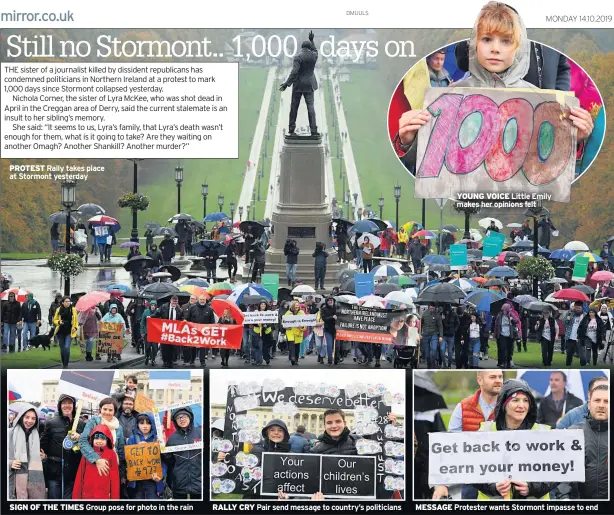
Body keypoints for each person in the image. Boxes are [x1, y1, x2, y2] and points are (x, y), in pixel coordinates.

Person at [395, 2, 593, 171]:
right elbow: (429, 164)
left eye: (506, 41)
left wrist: (574, 139)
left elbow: (547, 162)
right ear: (474, 43)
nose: (495, 48)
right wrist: (408, 140)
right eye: (487, 39)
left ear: (518, 47)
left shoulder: (539, 101)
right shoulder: (448, 97)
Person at [472, 379, 555, 500]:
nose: (521, 406)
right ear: (503, 404)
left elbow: (558, 472)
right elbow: (470, 471)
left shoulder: (544, 433)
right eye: (515, 400)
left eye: (526, 401)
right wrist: (493, 487)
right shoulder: (485, 432)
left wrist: (532, 488)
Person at [433, 370, 502, 500]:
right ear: (479, 380)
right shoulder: (463, 407)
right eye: (493, 377)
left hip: (502, 483)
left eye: (500, 376)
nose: (498, 380)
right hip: (471, 482)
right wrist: (443, 483)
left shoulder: (509, 407)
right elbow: (450, 447)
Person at [40, 394, 86, 499]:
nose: (67, 405)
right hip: (54, 472)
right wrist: (43, 456)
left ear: (74, 406)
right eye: (64, 403)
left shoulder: (81, 424)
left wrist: (80, 438)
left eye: (69, 403)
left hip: (73, 473)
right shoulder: (51, 423)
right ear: (59, 406)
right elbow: (43, 446)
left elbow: (85, 446)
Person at [568, 384, 608, 499]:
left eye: (606, 401)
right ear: (589, 404)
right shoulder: (573, 433)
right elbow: (562, 476)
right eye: (597, 400)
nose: (601, 405)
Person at [78, 397, 126, 492]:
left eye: (110, 410)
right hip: (94, 464)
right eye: (104, 409)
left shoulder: (118, 427)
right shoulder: (94, 422)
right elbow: (83, 441)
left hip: (112, 465)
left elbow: (120, 450)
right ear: (100, 409)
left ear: (114, 411)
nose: (107, 412)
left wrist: (122, 474)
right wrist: (97, 459)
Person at [279, 30, 318, 136]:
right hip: (309, 84)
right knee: (311, 107)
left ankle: (291, 129)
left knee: (294, 107)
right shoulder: (314, 56)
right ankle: (313, 130)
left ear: (301, 47)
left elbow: (294, 72)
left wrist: (287, 83)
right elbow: (315, 50)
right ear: (309, 48)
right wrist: (312, 40)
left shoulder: (298, 57)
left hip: (298, 85)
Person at [163, 407, 202, 500]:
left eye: (184, 416)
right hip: (179, 482)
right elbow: (169, 461)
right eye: (179, 417)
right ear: (175, 421)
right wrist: (164, 450)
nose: (182, 419)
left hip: (199, 482)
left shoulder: (201, 433)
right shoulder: (172, 438)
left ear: (190, 418)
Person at [73, 424, 120, 500]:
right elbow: (80, 476)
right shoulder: (88, 453)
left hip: (104, 496)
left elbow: (115, 478)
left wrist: (115, 499)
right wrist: (76, 498)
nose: (99, 441)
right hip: (87, 495)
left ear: (108, 439)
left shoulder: (111, 454)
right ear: (92, 439)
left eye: (102, 438)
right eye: (96, 438)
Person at [9, 404, 45, 499]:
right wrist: (10, 463)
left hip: (31, 483)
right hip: (11, 482)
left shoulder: (36, 436)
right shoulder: (9, 433)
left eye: (33, 418)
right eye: (27, 417)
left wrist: (43, 457)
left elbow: (36, 460)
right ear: (21, 417)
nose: (30, 421)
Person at [125, 413, 164, 499]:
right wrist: (137, 448)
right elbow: (127, 459)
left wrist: (160, 476)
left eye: (148, 423)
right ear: (137, 425)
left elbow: (163, 460)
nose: (145, 426)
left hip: (153, 480)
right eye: (142, 423)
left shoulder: (157, 439)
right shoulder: (132, 439)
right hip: (137, 481)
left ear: (152, 424)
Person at [149, 296, 184, 368]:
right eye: (173, 301)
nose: (174, 303)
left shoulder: (179, 310)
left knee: (172, 347)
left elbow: (181, 318)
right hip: (165, 330)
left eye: (176, 302)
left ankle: (170, 362)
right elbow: (157, 314)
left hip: (173, 332)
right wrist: (151, 317)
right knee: (164, 347)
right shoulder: (164, 307)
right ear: (170, 301)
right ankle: (165, 361)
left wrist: (184, 321)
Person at [52, 296, 78, 368]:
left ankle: (66, 364)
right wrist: (59, 322)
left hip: (69, 331)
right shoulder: (58, 309)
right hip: (60, 332)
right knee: (62, 349)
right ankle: (63, 362)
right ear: (62, 302)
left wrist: (75, 328)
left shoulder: (73, 309)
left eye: (69, 301)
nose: (68, 303)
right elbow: (54, 320)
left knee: (67, 347)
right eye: (66, 301)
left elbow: (76, 321)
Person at [494, 303, 517, 368]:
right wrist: (495, 334)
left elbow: (517, 321)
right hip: (502, 334)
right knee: (503, 349)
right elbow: (496, 325)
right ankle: (504, 363)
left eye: (505, 310)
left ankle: (508, 362)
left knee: (509, 350)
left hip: (509, 335)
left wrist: (512, 319)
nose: (504, 311)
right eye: (503, 310)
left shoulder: (511, 314)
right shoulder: (499, 315)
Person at [420, 303, 443, 368]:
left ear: (435, 308)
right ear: (428, 307)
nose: (432, 310)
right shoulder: (424, 314)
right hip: (425, 335)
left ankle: (433, 364)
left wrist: (441, 336)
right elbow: (421, 325)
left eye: (433, 308)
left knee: (434, 349)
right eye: (430, 308)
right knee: (426, 352)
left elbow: (440, 326)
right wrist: (420, 334)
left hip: (434, 334)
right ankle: (429, 365)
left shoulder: (437, 315)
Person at [564, 301, 587, 366]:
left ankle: (583, 367)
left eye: (579, 308)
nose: (578, 309)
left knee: (582, 356)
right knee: (569, 355)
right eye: (576, 308)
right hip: (570, 337)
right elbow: (565, 323)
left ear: (582, 308)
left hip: (580, 338)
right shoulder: (569, 314)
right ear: (574, 308)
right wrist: (567, 319)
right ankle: (567, 367)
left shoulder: (585, 315)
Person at [285, 300, 306, 366]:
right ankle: (292, 357)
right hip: (290, 332)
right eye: (295, 306)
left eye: (298, 305)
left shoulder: (302, 313)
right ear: (293, 306)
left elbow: (305, 322)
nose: (297, 307)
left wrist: (302, 327)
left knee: (297, 346)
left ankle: (296, 359)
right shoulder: (288, 313)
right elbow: (284, 322)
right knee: (291, 345)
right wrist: (286, 326)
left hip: (298, 332)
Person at [319, 296, 338, 365]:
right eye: (329, 300)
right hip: (328, 330)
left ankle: (336, 359)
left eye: (331, 300)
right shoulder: (324, 309)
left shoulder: (336, 308)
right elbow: (324, 318)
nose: (330, 301)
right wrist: (332, 317)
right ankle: (330, 360)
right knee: (329, 345)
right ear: (326, 301)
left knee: (337, 346)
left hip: (337, 330)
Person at [441, 304, 459, 369]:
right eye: (446, 310)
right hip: (444, 335)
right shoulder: (442, 314)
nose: (447, 312)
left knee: (450, 351)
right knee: (442, 349)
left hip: (451, 335)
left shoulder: (454, 314)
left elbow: (457, 323)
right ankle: (444, 364)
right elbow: (439, 324)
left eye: (448, 310)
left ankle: (449, 365)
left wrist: (454, 330)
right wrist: (442, 319)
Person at [141, 299, 158, 366]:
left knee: (155, 348)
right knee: (147, 347)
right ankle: (147, 357)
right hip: (147, 333)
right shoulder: (146, 312)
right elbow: (142, 322)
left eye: (154, 305)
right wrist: (142, 331)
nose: (153, 306)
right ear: (150, 305)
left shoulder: (157, 312)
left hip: (155, 334)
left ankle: (153, 359)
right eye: (152, 305)